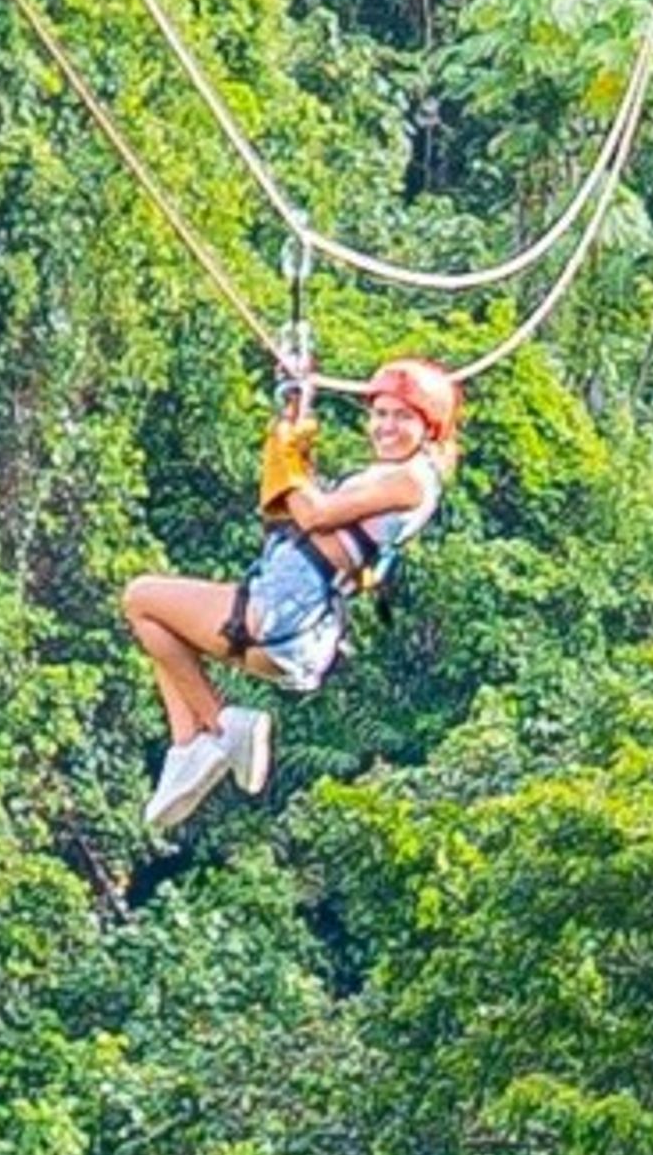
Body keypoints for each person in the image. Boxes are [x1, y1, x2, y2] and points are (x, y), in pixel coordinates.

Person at [123, 354, 460, 833]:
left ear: (429, 428)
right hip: (289, 629)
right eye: (380, 414)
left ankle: (220, 728)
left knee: (141, 595)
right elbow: (293, 510)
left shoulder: (412, 480)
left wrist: (286, 456)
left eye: (402, 417)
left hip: (277, 616)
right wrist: (293, 418)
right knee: (155, 624)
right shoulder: (387, 477)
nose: (386, 426)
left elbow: (314, 513)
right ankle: (188, 745)